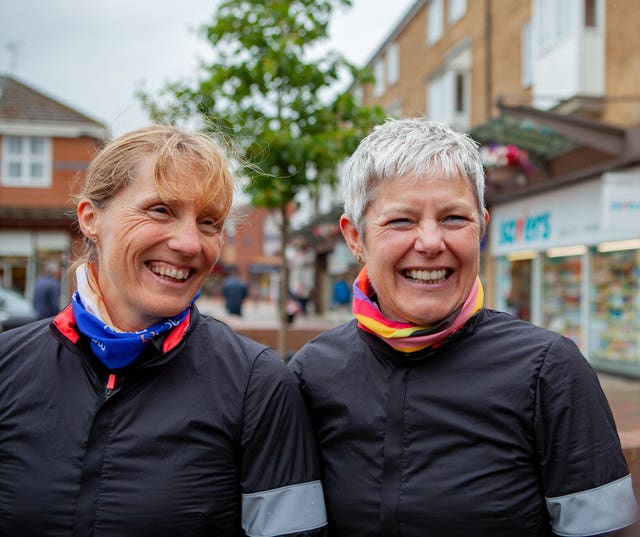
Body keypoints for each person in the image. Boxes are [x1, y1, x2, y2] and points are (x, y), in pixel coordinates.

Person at [289, 118, 639, 537]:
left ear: (482, 227)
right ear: (355, 238)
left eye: (455, 218)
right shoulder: (313, 372)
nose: (432, 242)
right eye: (401, 221)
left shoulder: (548, 370)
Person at [0, 125, 327, 537]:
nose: (190, 243)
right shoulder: (7, 365)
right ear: (90, 218)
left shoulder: (257, 385)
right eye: (160, 210)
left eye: (209, 222)